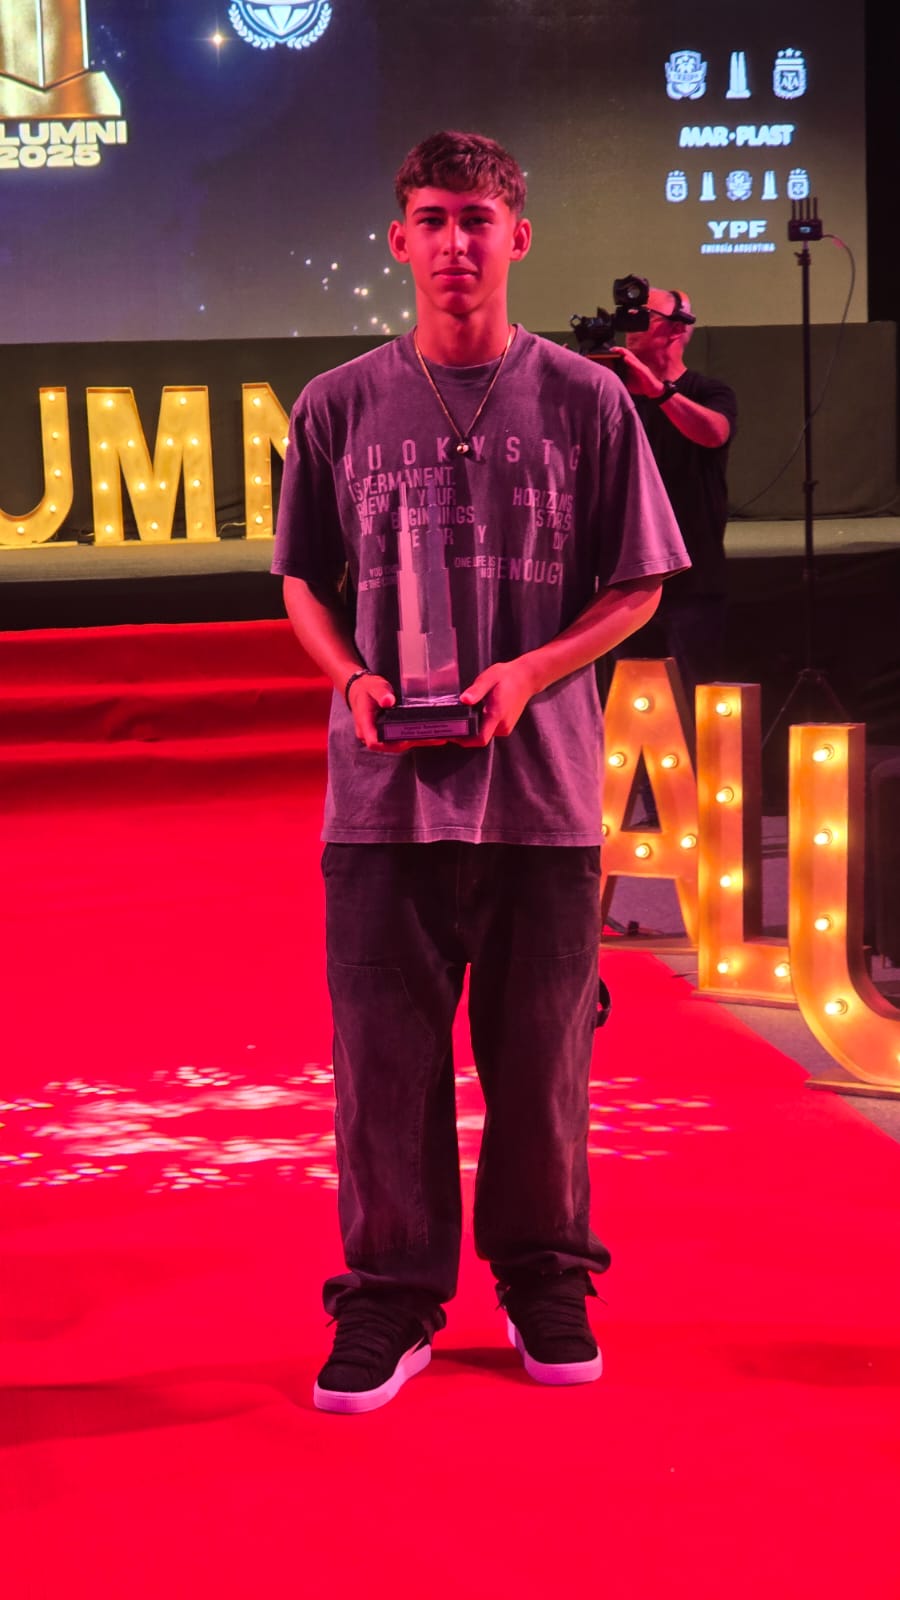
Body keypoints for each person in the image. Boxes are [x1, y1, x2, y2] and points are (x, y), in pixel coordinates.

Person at [272, 131, 689, 1414]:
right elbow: (301, 580)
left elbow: (638, 584)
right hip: (381, 803)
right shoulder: (337, 404)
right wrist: (352, 679)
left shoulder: (587, 400)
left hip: (542, 799)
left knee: (544, 1063)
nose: (457, 241)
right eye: (435, 218)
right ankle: (390, 1295)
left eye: (478, 218)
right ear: (399, 240)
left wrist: (532, 671)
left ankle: (546, 1277)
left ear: (518, 237)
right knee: (382, 1066)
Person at [612, 286, 737, 699]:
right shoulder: (611, 396)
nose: (630, 325)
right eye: (627, 314)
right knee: (630, 704)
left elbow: (714, 433)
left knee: (698, 698)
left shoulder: (709, 391)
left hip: (692, 577)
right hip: (628, 577)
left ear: (677, 329)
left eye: (644, 316)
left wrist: (658, 390)